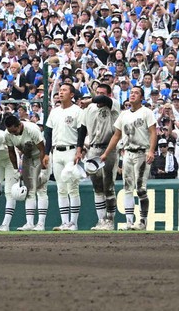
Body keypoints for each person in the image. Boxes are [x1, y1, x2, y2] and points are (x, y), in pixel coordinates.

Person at [101, 86, 157, 231]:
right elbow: (116, 135)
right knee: (127, 188)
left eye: (136, 93)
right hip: (127, 153)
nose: (132, 95)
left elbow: (153, 132)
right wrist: (106, 153)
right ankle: (129, 221)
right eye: (131, 93)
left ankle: (143, 221)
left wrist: (151, 150)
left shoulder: (147, 112)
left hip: (142, 152)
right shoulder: (124, 114)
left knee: (140, 189)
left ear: (142, 97)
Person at [77, 85, 119, 231]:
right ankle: (101, 220)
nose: (99, 96)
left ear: (109, 95)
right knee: (97, 187)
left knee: (108, 185)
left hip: (109, 148)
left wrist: (89, 100)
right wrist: (79, 149)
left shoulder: (113, 105)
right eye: (98, 93)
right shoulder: (90, 109)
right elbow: (82, 130)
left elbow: (102, 99)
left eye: (103, 93)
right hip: (93, 149)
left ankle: (110, 220)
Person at [45, 83, 83, 231]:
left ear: (72, 94)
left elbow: (81, 131)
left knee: (72, 188)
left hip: (71, 150)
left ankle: (73, 223)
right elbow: (48, 133)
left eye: (64, 90)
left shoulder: (77, 111)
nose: (61, 93)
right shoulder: (54, 112)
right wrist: (46, 153)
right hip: (56, 151)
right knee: (61, 188)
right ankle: (64, 222)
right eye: (60, 90)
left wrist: (79, 150)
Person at [4, 115, 48, 231]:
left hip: (40, 157)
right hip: (27, 158)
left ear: (19, 125)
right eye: (10, 131)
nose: (13, 134)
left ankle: (41, 223)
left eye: (14, 131)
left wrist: (43, 169)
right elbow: (11, 152)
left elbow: (42, 149)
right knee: (29, 191)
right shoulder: (8, 134)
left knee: (41, 189)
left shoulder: (32, 129)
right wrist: (16, 169)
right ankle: (29, 223)